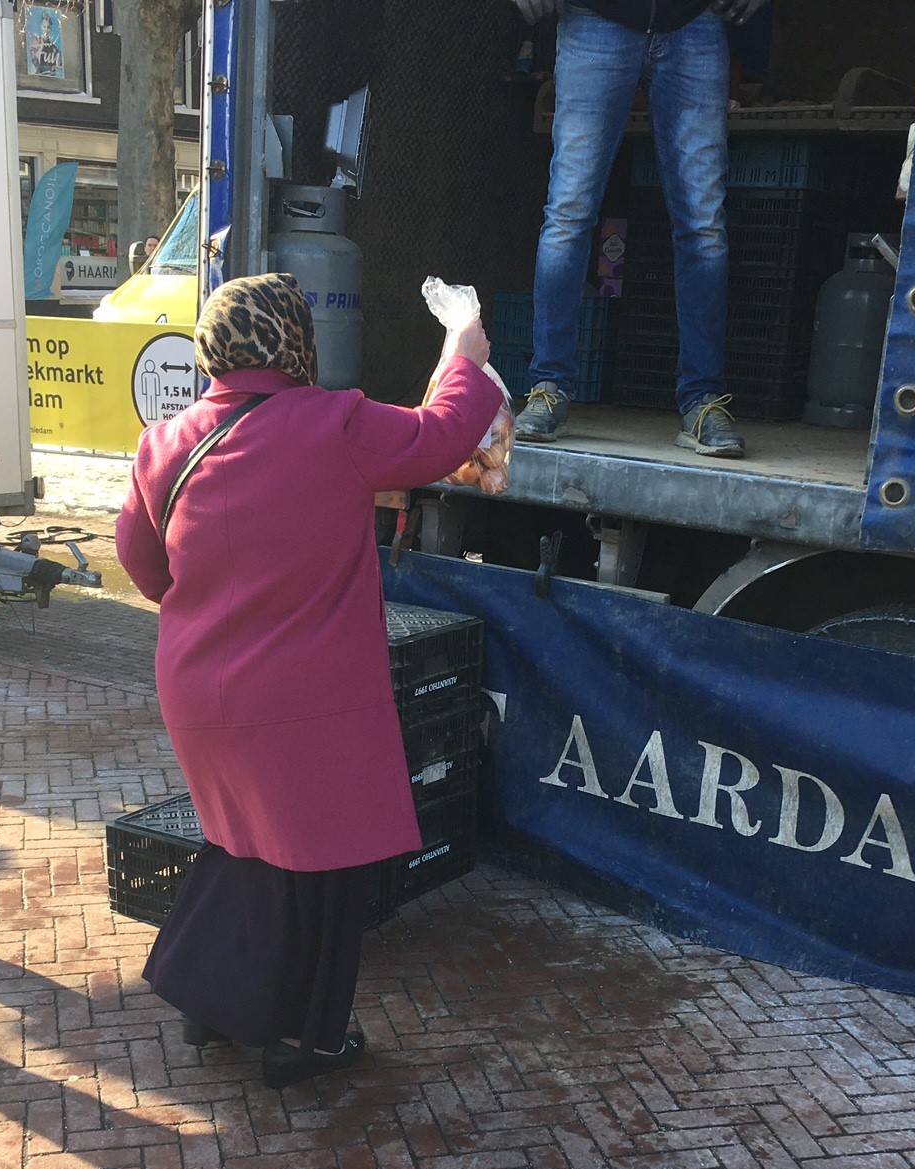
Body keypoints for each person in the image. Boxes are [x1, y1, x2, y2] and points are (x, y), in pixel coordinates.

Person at [115, 273, 498, 1090]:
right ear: (296, 343)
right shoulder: (337, 423)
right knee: (327, 864)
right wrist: (464, 353)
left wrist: (213, 608)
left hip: (198, 695)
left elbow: (143, 568)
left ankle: (210, 1001)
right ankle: (306, 1040)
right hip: (306, 703)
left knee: (242, 843)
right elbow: (445, 435)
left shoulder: (166, 441)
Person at [511, 0, 768, 458]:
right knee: (569, 213)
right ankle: (548, 385)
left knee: (703, 224)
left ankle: (703, 400)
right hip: (597, 18)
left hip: (695, 21)